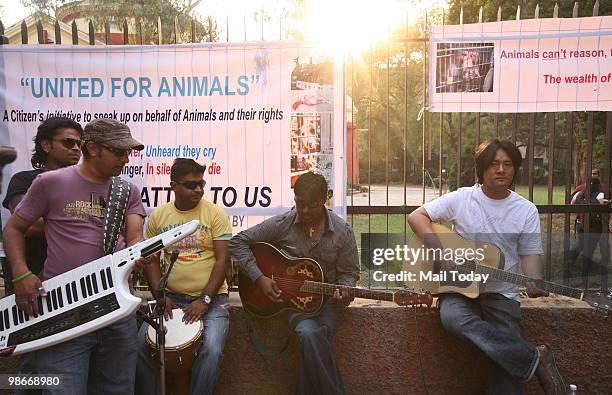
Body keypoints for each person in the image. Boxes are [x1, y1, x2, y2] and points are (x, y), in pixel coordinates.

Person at [407, 139, 566, 395]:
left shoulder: (526, 211)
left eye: (507, 164)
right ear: (482, 170)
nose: (501, 169)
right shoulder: (463, 198)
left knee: (503, 366)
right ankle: (531, 357)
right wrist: (442, 249)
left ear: (514, 169)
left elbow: (530, 256)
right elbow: (417, 216)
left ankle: (519, 357)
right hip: (458, 287)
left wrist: (535, 280)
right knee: (453, 319)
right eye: (493, 164)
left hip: (502, 293)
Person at [3, 118, 146, 394]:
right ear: (92, 148)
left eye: (129, 152)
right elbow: (13, 229)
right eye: (119, 151)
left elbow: (135, 236)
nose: (126, 159)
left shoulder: (128, 190)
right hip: (65, 306)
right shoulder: (49, 182)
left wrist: (141, 252)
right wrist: (21, 274)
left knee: (117, 388)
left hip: (117, 306)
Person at [229, 171, 359, 395]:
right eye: (300, 204)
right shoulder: (283, 223)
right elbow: (238, 242)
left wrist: (344, 290)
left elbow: (350, 273)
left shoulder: (343, 232)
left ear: (325, 200)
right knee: (310, 335)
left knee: (313, 343)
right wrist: (259, 279)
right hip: (291, 304)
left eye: (312, 205)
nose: (305, 211)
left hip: (328, 304)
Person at [135, 158, 231, 395]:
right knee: (140, 347)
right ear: (174, 186)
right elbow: (152, 260)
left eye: (201, 183)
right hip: (171, 299)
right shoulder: (159, 216)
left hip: (212, 300)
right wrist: (159, 294)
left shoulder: (215, 214)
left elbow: (223, 260)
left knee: (212, 351)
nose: (198, 189)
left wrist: (205, 299)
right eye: (191, 185)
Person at [1, 117, 83, 294]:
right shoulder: (24, 180)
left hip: (76, 283)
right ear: (46, 145)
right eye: (69, 142)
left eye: (79, 144)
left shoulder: (87, 185)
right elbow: (29, 224)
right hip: (29, 280)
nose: (76, 149)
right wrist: (83, 226)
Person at [571, 177, 609, 292]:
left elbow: (572, 204)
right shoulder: (600, 194)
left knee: (581, 246)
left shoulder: (580, 193)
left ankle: (571, 263)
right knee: (590, 252)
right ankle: (586, 281)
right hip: (594, 228)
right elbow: (604, 204)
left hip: (581, 224)